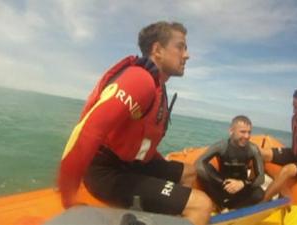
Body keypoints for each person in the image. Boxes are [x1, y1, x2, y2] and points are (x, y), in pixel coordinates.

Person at [57, 21, 212, 225]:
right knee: (202, 205)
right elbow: (87, 131)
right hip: (106, 172)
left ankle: (167, 217)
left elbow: (141, 140)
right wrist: (69, 197)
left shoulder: (158, 86)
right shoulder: (140, 80)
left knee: (188, 171)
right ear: (157, 49)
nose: (187, 55)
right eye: (180, 46)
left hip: (131, 163)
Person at [195, 115, 265, 210]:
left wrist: (242, 184)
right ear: (231, 131)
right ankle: (220, 204)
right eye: (243, 132)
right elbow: (198, 163)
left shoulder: (253, 149)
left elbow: (261, 178)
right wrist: (223, 182)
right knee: (202, 171)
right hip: (221, 186)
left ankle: (232, 208)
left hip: (241, 188)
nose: (247, 136)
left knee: (259, 194)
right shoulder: (221, 146)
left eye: (249, 132)